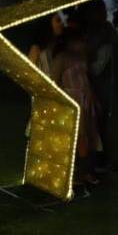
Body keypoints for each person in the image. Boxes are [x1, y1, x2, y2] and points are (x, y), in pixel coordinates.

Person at [51, 27, 101, 186]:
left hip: (85, 99)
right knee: (78, 137)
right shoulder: (62, 58)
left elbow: (86, 78)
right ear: (71, 42)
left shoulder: (83, 56)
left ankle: (85, 171)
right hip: (72, 100)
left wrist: (92, 96)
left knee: (89, 136)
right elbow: (54, 81)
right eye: (80, 41)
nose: (84, 44)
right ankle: (75, 173)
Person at [82, 0, 118, 174]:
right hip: (93, 83)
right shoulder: (92, 31)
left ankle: (101, 161)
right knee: (92, 123)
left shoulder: (105, 32)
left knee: (100, 122)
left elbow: (99, 65)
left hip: (99, 85)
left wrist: (83, 67)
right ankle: (95, 159)